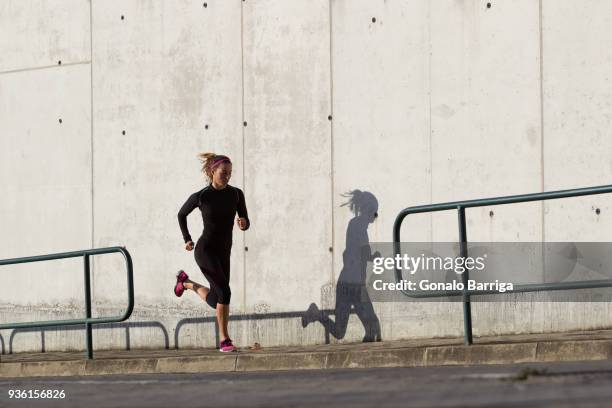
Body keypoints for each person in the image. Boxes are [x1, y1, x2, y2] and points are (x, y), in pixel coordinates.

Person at [175, 152, 250, 352]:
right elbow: (181, 214)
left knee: (218, 298)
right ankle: (225, 339)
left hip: (224, 251)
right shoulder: (202, 196)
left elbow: (245, 219)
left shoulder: (236, 194)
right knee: (225, 292)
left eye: (230, 173)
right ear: (212, 171)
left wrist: (244, 223)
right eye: (224, 173)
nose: (228, 176)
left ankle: (185, 282)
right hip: (205, 251)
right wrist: (187, 239)